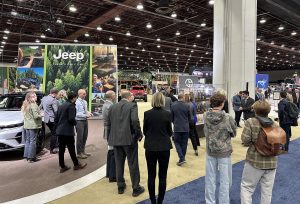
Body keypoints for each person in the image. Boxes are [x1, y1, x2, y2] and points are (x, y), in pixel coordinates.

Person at [107, 90, 145, 197]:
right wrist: (138, 134)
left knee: (119, 163)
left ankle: (120, 186)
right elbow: (135, 121)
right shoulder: (132, 106)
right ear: (128, 97)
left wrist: (110, 137)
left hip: (115, 140)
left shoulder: (112, 107)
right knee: (133, 164)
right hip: (129, 139)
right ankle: (136, 188)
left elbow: (108, 124)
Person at [240, 100, 277, 204]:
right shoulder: (274, 124)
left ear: (255, 110)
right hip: (271, 162)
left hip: (254, 160)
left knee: (247, 187)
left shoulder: (251, 122)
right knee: (267, 191)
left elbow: (245, 140)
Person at [204, 93, 237, 204]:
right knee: (225, 181)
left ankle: (210, 202)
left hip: (210, 151)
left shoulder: (206, 115)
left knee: (210, 179)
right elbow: (234, 133)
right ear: (222, 104)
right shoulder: (227, 117)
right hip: (224, 152)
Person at [143, 92, 173, 204]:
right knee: (162, 175)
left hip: (150, 147)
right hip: (164, 147)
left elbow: (145, 131)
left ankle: (152, 201)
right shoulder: (167, 114)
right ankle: (160, 201)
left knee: (151, 175)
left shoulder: (147, 114)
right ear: (163, 100)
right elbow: (170, 132)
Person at [55, 92, 87, 173]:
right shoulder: (71, 106)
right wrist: (75, 124)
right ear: (73, 98)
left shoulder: (61, 106)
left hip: (60, 131)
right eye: (76, 98)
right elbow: (71, 119)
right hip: (67, 131)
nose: (76, 100)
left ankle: (62, 166)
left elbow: (56, 119)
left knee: (61, 150)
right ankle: (76, 165)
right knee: (71, 149)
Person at [22, 91, 43, 163]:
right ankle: (32, 157)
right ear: (32, 97)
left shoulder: (25, 104)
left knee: (28, 141)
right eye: (35, 96)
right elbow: (36, 116)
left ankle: (27, 156)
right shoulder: (33, 105)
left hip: (27, 125)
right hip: (33, 126)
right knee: (33, 141)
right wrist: (42, 115)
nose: (36, 97)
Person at [171, 93, 191, 166]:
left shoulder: (173, 105)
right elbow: (189, 117)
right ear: (183, 97)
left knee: (176, 142)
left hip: (177, 127)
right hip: (186, 127)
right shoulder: (187, 105)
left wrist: (175, 122)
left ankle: (182, 159)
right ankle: (182, 158)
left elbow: (171, 117)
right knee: (184, 143)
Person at [102, 91, 117, 182]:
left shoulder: (105, 105)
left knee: (110, 151)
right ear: (112, 96)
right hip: (111, 130)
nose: (115, 96)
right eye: (114, 95)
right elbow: (113, 119)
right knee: (113, 153)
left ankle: (109, 173)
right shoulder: (110, 106)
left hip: (108, 129)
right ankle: (112, 176)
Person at [40, 88, 59, 154]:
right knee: (54, 134)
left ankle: (53, 146)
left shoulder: (44, 98)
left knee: (52, 133)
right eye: (57, 94)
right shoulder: (53, 100)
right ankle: (52, 149)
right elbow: (56, 111)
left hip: (46, 119)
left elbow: (40, 108)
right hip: (52, 119)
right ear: (55, 93)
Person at [75, 89, 93, 159]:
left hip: (85, 121)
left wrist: (88, 112)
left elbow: (85, 111)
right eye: (84, 94)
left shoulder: (85, 102)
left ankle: (83, 151)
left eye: (85, 93)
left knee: (84, 137)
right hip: (79, 121)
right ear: (79, 94)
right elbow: (77, 113)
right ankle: (79, 153)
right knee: (80, 137)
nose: (85, 95)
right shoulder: (77, 102)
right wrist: (85, 115)